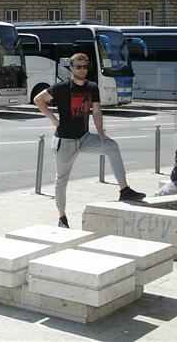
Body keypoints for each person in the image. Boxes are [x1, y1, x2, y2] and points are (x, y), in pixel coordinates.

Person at [34, 53, 145, 229]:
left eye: (85, 67)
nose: (82, 70)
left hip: (84, 137)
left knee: (112, 146)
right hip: (65, 140)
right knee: (62, 179)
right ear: (71, 68)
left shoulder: (92, 87)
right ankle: (62, 217)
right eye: (78, 67)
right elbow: (38, 99)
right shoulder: (61, 87)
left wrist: (101, 133)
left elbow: (97, 111)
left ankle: (124, 190)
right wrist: (53, 120)